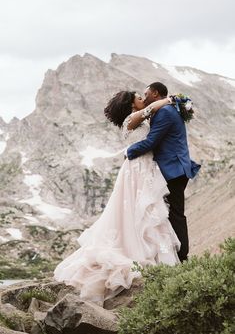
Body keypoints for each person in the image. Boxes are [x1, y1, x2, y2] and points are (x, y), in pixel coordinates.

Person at [54, 91, 180, 306]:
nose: (142, 98)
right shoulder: (131, 119)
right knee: (139, 210)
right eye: (139, 96)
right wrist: (171, 100)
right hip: (137, 170)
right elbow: (151, 110)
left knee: (148, 212)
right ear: (131, 104)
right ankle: (139, 253)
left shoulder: (138, 118)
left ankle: (154, 255)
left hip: (145, 167)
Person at [127, 82, 201, 262]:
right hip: (172, 168)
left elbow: (151, 142)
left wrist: (128, 152)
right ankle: (171, 255)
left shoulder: (165, 112)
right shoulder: (164, 109)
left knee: (174, 215)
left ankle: (182, 257)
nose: (144, 98)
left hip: (173, 170)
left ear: (155, 93)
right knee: (164, 215)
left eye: (146, 94)